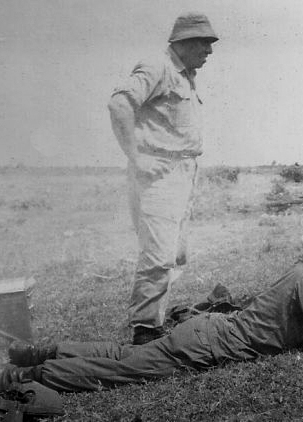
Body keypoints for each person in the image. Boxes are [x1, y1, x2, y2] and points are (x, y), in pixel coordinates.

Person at [0, 222, 303, 393]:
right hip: (205, 347)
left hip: (206, 331)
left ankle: (41, 351)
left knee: (127, 354)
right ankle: (25, 374)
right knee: (121, 371)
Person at [107, 12, 218, 344]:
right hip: (159, 174)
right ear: (183, 43)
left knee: (175, 254)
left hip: (182, 173)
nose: (209, 52)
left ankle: (153, 319)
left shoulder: (185, 75)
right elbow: (119, 105)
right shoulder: (158, 67)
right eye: (204, 43)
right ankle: (145, 332)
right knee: (159, 255)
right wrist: (136, 156)